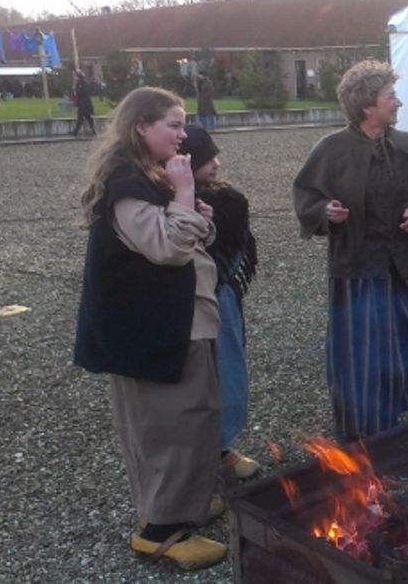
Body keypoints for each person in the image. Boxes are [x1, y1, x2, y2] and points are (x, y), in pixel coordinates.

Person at [73, 87, 226, 570]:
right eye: (174, 126)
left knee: (195, 419)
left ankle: (185, 506)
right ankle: (159, 532)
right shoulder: (127, 186)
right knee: (169, 428)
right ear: (142, 126)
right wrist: (184, 195)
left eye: (183, 125)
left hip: (178, 321)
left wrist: (195, 213)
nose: (184, 135)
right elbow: (167, 249)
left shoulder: (148, 177)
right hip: (154, 331)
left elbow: (177, 236)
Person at [292, 60, 408, 442]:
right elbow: (307, 196)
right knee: (362, 356)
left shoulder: (407, 146)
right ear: (367, 105)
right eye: (391, 96)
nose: (398, 102)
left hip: (406, 267)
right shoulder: (332, 150)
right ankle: (361, 437)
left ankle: (406, 421)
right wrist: (326, 212)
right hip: (357, 271)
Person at [180, 126, 261, 479]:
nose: (215, 164)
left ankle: (223, 447)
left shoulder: (227, 201)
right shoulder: (165, 200)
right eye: (206, 158)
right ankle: (196, 461)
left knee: (228, 372)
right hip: (181, 301)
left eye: (215, 156)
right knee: (193, 382)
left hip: (221, 296)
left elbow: (237, 251)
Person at [71, 70, 96, 137]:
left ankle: (75, 132)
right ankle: (93, 130)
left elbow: (84, 92)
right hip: (82, 103)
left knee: (81, 117)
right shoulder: (77, 83)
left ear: (78, 77)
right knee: (87, 117)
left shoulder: (84, 83)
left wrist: (76, 91)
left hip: (85, 103)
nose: (74, 78)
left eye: (75, 76)